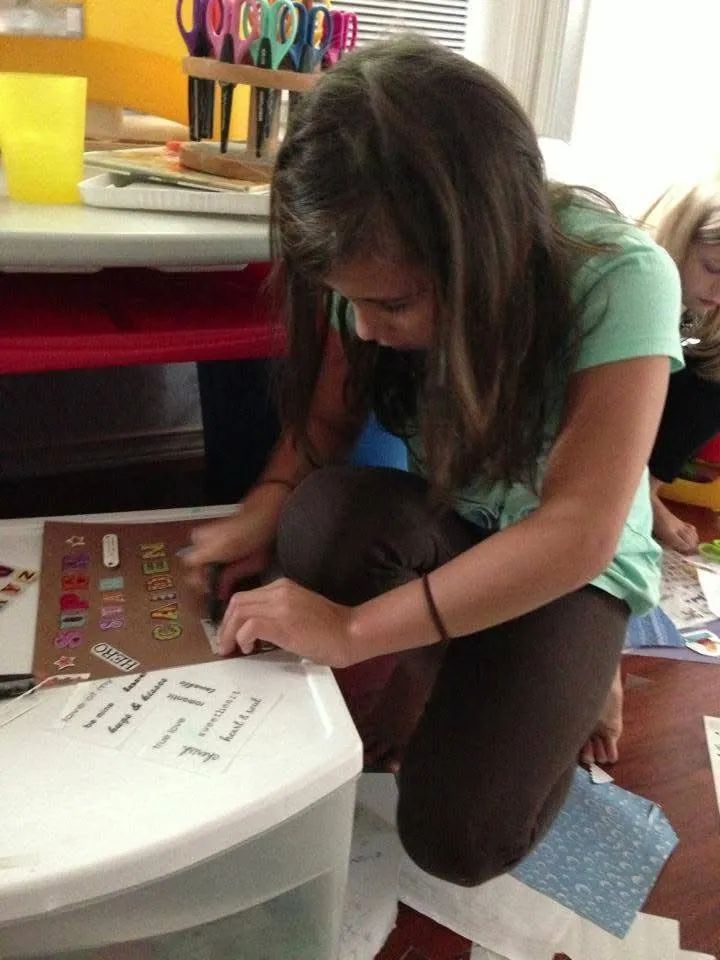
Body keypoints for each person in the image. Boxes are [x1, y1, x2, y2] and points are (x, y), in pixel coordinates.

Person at [184, 37, 682, 887]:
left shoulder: (622, 276)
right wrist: (262, 507)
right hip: (457, 517)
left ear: (482, 251)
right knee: (317, 523)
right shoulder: (370, 260)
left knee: (461, 839)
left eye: (392, 303)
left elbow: (576, 530)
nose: (365, 327)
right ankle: (446, 649)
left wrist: (350, 631)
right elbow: (327, 426)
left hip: (573, 565)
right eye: (348, 301)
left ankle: (585, 668)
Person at [642, 179, 720, 553]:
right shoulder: (642, 280)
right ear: (680, 239)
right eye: (712, 267)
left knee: (716, 371)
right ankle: (637, 493)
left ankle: (646, 489)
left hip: (674, 360)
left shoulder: (700, 308)